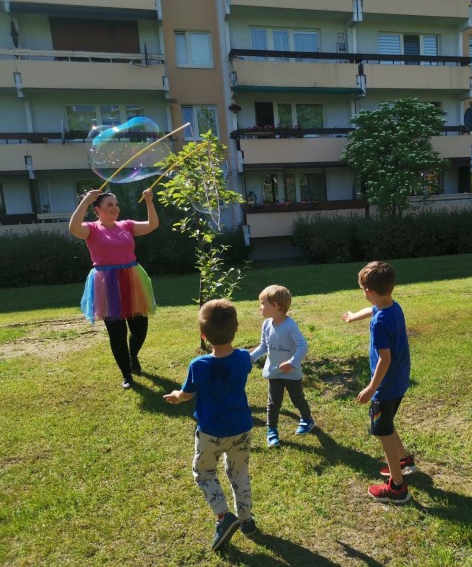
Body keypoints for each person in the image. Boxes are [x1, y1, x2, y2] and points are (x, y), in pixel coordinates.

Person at [163, 298, 257, 552]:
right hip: (241, 428)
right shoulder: (242, 359)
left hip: (210, 432)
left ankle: (223, 516)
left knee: (203, 472)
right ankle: (247, 521)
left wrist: (175, 396)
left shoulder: (198, 365)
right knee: (239, 473)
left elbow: (187, 394)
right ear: (236, 327)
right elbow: (246, 359)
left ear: (203, 334)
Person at [68, 188, 158, 389]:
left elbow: (152, 225)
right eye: (109, 204)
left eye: (116, 204)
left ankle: (132, 354)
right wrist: (84, 201)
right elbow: (73, 227)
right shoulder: (90, 229)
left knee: (140, 329)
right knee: (117, 333)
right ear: (97, 209)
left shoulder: (126, 225)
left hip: (131, 279)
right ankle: (127, 374)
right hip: (105, 283)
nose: (115, 208)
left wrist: (149, 202)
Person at [342, 261, 416, 504]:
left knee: (383, 432)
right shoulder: (392, 307)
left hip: (385, 386)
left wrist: (372, 388)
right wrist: (353, 317)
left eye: (363, 289)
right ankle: (404, 460)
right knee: (387, 422)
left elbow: (385, 358)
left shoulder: (380, 322)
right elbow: (372, 310)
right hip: (400, 379)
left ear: (369, 292)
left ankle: (397, 487)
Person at [250, 285, 313, 447]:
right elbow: (264, 346)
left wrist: (292, 363)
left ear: (276, 306)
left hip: (292, 374)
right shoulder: (266, 325)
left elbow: (303, 346)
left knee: (297, 399)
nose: (260, 307)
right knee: (273, 402)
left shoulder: (290, 325)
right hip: (274, 372)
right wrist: (251, 358)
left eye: (263, 303)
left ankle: (307, 419)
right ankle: (272, 430)